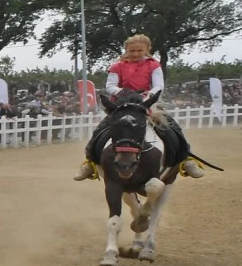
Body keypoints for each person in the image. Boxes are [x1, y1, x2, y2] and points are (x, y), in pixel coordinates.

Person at [74, 34, 204, 181]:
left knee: (171, 128)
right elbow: (110, 86)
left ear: (147, 49)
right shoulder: (116, 66)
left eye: (139, 50)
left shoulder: (153, 65)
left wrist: (146, 97)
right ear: (126, 50)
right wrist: (123, 93)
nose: (135, 54)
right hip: (121, 105)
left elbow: (158, 86)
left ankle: (185, 159)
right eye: (132, 51)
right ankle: (89, 163)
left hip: (146, 103)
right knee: (100, 130)